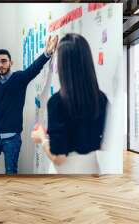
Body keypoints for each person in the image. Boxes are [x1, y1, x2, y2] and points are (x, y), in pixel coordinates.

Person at [0, 35, 59, 174]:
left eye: (4, 61)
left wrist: (47, 53)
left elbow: (34, 68)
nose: (0, 65)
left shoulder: (19, 79)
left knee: (11, 175)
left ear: (11, 62)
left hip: (11, 138)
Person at [31, 33, 108, 174]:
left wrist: (42, 138)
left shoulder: (57, 103)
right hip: (93, 170)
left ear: (62, 64)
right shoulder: (101, 99)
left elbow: (59, 158)